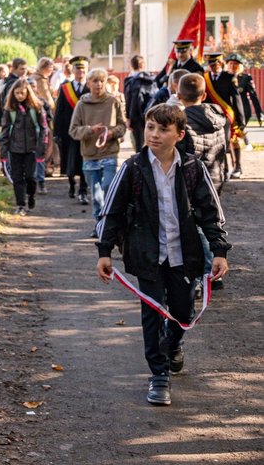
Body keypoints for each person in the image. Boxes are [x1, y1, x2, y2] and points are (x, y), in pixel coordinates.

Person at [96, 104, 231, 406]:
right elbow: (111, 213)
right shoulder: (132, 168)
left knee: (182, 311)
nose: (154, 135)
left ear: (179, 134)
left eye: (163, 129)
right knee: (153, 312)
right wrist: (104, 251)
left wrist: (219, 251)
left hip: (184, 255)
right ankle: (159, 375)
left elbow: (211, 213)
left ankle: (173, 345)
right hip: (147, 255)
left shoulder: (193, 169)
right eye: (150, 127)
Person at [176, 73, 229, 292]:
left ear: (179, 95)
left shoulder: (181, 122)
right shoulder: (218, 117)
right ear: (205, 94)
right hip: (215, 176)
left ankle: (206, 274)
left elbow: (183, 156)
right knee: (209, 222)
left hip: (193, 182)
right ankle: (212, 273)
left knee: (195, 229)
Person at [69, 68, 127, 237]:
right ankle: (100, 225)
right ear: (88, 83)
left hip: (109, 152)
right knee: (95, 195)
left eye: (102, 81)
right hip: (90, 155)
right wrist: (89, 130)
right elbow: (73, 130)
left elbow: (123, 126)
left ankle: (110, 224)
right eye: (95, 81)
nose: (99, 84)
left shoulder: (113, 102)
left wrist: (112, 133)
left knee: (109, 187)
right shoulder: (82, 104)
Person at [0, 78, 48, 216]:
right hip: (15, 149)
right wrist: (3, 152)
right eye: (17, 93)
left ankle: (31, 195)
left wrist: (41, 148)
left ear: (28, 92)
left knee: (31, 177)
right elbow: (5, 131)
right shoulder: (10, 110)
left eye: (22, 93)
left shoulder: (37, 108)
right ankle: (20, 204)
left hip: (32, 149)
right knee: (17, 178)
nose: (20, 96)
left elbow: (43, 129)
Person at [202, 52, 246, 179]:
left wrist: (240, 119)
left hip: (226, 115)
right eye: (210, 65)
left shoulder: (229, 77)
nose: (213, 67)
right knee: (215, 144)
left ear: (220, 63)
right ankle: (224, 170)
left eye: (215, 64)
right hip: (210, 116)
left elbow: (236, 99)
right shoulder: (205, 78)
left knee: (225, 143)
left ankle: (235, 168)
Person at [54, 55, 90, 204]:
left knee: (84, 160)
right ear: (73, 70)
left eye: (83, 70)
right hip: (69, 130)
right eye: (77, 69)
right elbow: (59, 111)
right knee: (69, 160)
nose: (80, 72)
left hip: (86, 131)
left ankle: (83, 190)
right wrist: (56, 132)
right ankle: (71, 184)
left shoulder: (90, 88)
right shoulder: (65, 88)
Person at [225, 53, 262, 152]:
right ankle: (240, 145)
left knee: (239, 126)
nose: (232, 66)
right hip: (229, 108)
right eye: (230, 64)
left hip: (243, 109)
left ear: (240, 66)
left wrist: (259, 114)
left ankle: (246, 144)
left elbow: (254, 96)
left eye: (235, 64)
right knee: (231, 128)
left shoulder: (246, 78)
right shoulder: (224, 78)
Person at [32, 57, 56, 192]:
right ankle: (44, 171)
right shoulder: (40, 80)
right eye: (50, 67)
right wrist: (53, 108)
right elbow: (48, 100)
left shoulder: (38, 78)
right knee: (45, 147)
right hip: (43, 119)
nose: (52, 70)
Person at [123, 55, 156, 152]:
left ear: (131, 65)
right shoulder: (151, 79)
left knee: (139, 144)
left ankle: (140, 165)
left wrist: (129, 118)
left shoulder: (130, 80)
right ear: (143, 65)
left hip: (136, 116)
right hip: (150, 115)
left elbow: (129, 100)